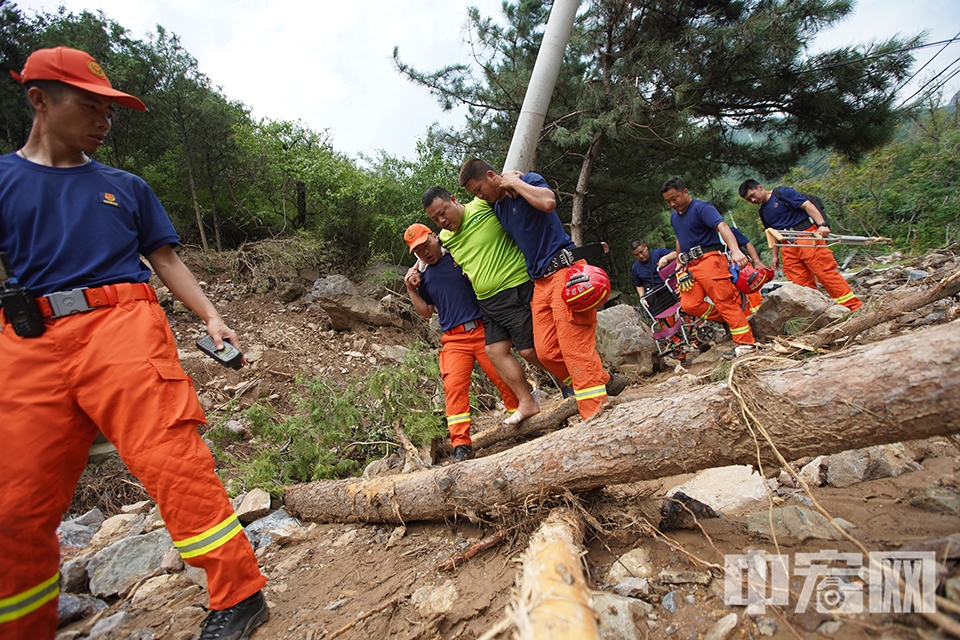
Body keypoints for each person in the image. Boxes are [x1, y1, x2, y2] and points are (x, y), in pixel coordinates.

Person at [0, 47, 267, 640]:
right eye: (89, 105)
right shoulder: (4, 179)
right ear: (39, 100)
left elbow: (166, 258)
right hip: (28, 341)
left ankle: (239, 593)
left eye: (110, 110)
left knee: (172, 461)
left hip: (122, 325)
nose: (104, 119)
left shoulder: (125, 187)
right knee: (15, 499)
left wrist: (212, 317)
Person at [459, 159, 627, 421]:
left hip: (565, 272)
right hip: (540, 283)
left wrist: (514, 180)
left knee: (574, 349)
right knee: (546, 351)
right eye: (474, 194)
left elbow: (548, 203)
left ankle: (595, 417)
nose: (479, 196)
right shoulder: (497, 206)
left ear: (492, 176)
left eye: (479, 189)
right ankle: (603, 380)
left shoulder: (529, 181)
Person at [421, 187, 542, 425]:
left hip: (514, 287)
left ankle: (574, 381)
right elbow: (424, 253)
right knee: (495, 352)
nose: (442, 221)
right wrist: (414, 273)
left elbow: (503, 195)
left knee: (530, 350)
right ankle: (526, 403)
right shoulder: (444, 237)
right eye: (435, 219)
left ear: (454, 200)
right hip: (488, 303)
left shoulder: (482, 206)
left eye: (443, 213)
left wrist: (513, 180)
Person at [402, 223, 521, 462]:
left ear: (435, 237)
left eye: (427, 244)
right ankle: (461, 445)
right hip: (454, 339)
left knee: (504, 378)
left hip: (482, 329)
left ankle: (523, 422)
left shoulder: (458, 253)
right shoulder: (422, 277)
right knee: (454, 389)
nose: (425, 252)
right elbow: (426, 312)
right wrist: (410, 289)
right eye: (418, 251)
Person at [660, 176, 757, 358]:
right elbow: (680, 238)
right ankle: (726, 319)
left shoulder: (702, 208)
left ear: (685, 192)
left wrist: (735, 250)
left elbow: (722, 227)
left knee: (724, 300)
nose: (672, 204)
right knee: (689, 304)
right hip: (689, 267)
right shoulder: (675, 217)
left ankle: (746, 344)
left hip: (709, 260)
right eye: (668, 201)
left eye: (675, 198)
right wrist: (680, 262)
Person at [738, 179, 861, 311]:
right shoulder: (763, 212)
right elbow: (772, 234)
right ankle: (818, 311)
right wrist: (775, 256)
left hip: (806, 236)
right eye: (749, 200)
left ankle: (852, 306)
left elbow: (807, 206)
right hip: (786, 245)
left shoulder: (782, 193)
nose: (753, 200)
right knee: (800, 282)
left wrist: (822, 225)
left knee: (824, 273)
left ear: (760, 187)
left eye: (753, 195)